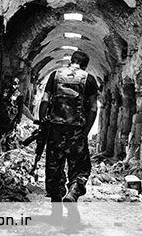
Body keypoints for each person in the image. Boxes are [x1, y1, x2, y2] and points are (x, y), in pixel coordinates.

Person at [39, 51, 98, 208]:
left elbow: (45, 99)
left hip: (55, 130)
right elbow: (93, 108)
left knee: (54, 168)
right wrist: (85, 131)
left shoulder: (55, 75)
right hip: (77, 130)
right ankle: (73, 192)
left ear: (71, 61)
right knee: (80, 168)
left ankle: (56, 211)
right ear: (85, 65)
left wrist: (43, 121)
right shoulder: (89, 79)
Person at [0, 78, 26, 155]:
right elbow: (0, 105)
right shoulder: (5, 94)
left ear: (17, 85)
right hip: (3, 119)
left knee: (8, 140)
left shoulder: (19, 96)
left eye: (15, 84)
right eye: (12, 84)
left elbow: (20, 109)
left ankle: (7, 157)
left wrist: (18, 121)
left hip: (11, 120)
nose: (12, 86)